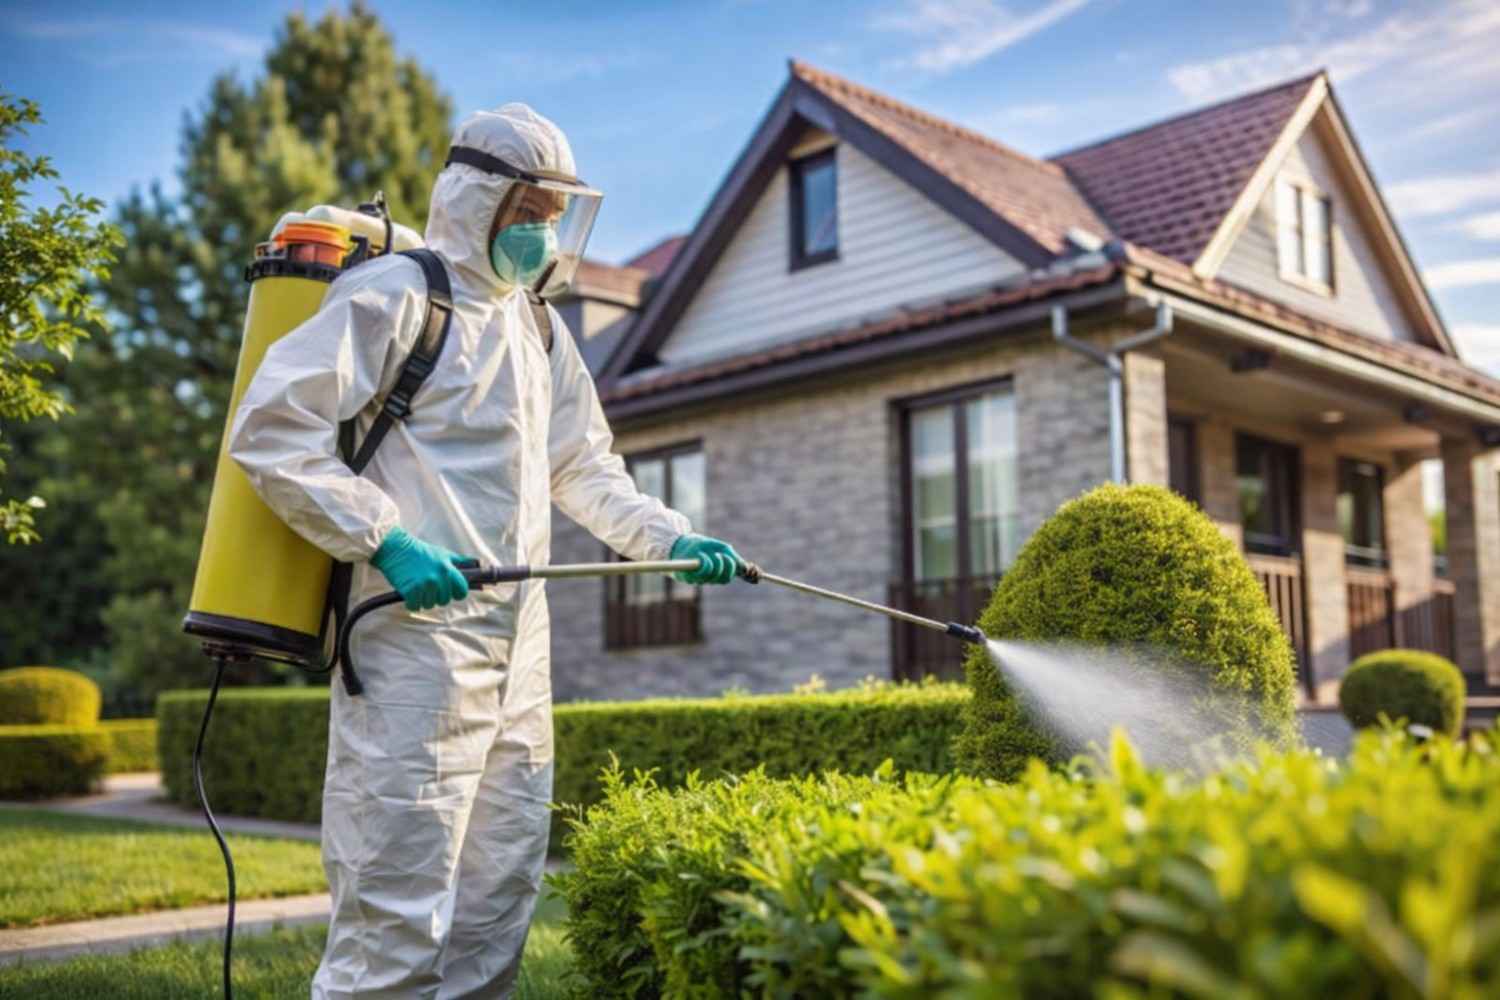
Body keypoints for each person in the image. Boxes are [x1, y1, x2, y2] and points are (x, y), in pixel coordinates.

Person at [229, 103, 742, 999]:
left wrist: (668, 538)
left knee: (497, 899)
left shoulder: (540, 330)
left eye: (556, 215)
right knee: (396, 898)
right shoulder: (398, 295)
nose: (543, 232)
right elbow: (273, 429)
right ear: (478, 201)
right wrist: (387, 540)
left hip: (520, 649)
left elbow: (584, 469)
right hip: (414, 641)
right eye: (529, 211)